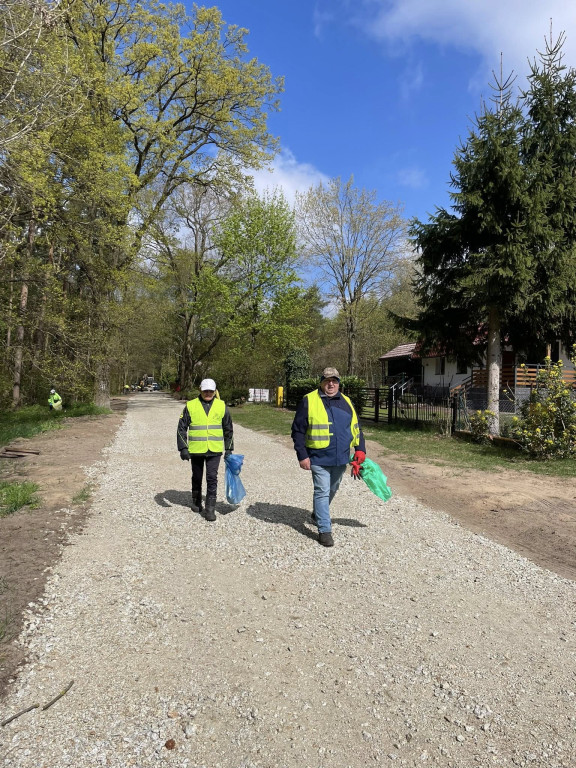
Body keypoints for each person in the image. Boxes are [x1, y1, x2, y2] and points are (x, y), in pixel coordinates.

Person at [291, 367, 366, 547]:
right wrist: (302, 455)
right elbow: (298, 430)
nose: (331, 384)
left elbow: (356, 427)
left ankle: (318, 513)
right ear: (321, 382)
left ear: (339, 382)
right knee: (322, 491)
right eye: (327, 380)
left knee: (332, 489)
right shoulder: (309, 400)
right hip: (318, 457)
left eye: (334, 380)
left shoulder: (346, 401)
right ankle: (324, 529)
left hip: (341, 458)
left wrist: (360, 449)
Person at [177, 378, 234, 522]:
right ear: (200, 390)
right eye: (205, 391)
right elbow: (181, 428)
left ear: (215, 391)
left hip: (214, 450)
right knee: (197, 476)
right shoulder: (191, 405)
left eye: (211, 391)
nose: (208, 393)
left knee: (212, 477)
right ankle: (196, 501)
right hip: (196, 449)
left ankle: (210, 508)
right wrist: (183, 447)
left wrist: (228, 448)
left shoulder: (222, 406)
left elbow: (228, 429)